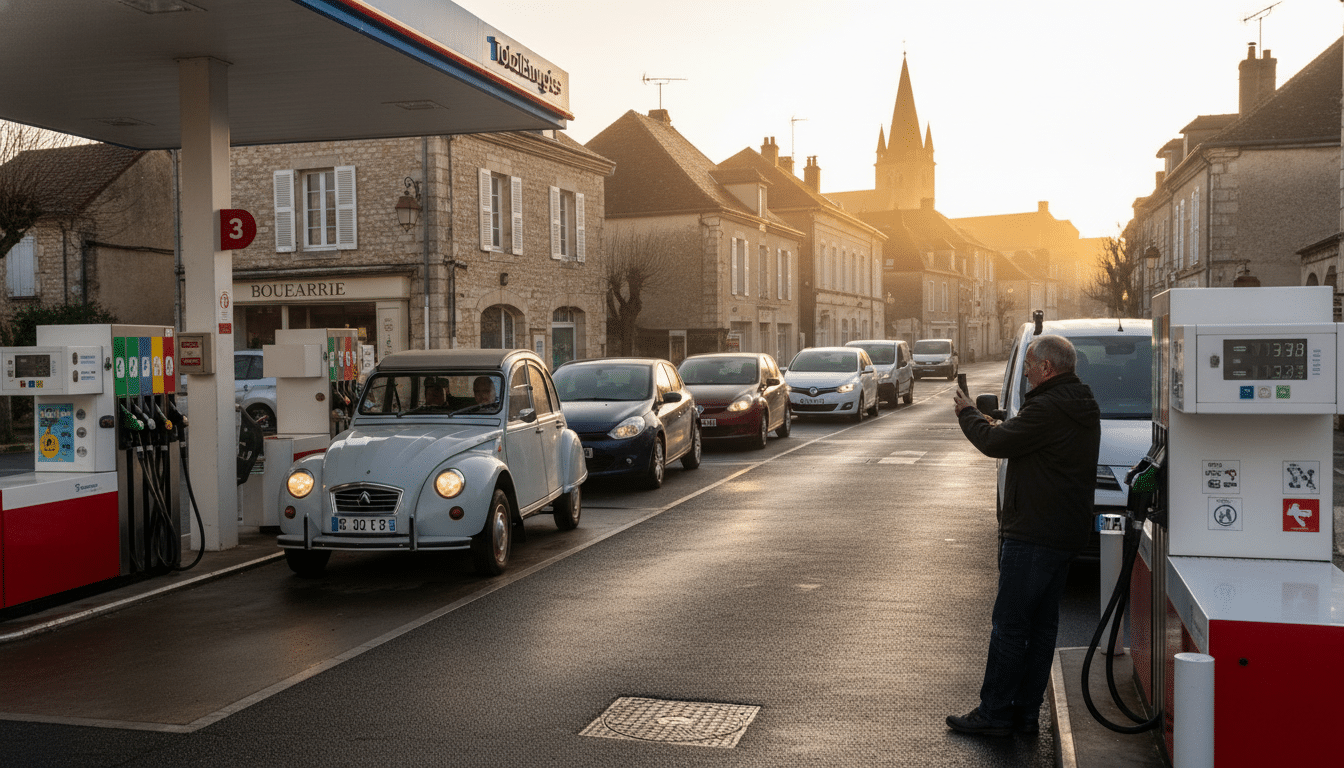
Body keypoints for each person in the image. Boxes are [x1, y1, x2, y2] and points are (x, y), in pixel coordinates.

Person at [946, 334, 1101, 738]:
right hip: (1065, 532)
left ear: (1047, 368)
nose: (1028, 372)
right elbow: (1029, 441)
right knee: (1042, 627)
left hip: (1034, 532)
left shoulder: (1048, 407)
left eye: (1030, 366)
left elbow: (995, 443)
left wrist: (967, 413)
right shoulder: (1081, 402)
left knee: (1010, 626)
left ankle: (995, 711)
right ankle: (1026, 713)